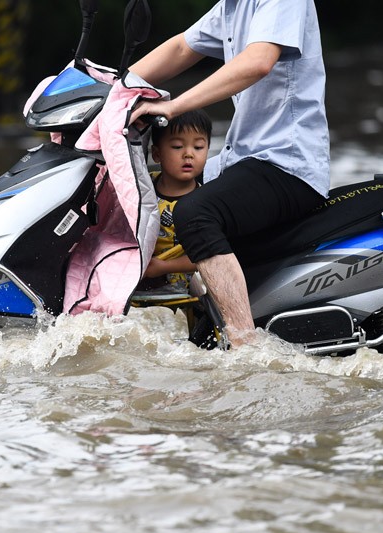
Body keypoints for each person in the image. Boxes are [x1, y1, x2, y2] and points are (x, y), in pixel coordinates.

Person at [129, 0, 330, 347]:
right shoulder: (232, 6)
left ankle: (245, 347)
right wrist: (108, 91)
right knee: (156, 187)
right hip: (246, 158)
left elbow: (258, 61)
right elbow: (180, 47)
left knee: (194, 212)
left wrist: (173, 106)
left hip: (288, 162)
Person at [141, 109, 212, 293]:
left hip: (186, 295)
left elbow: (211, 256)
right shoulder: (142, 187)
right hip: (141, 287)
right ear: (156, 154)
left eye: (198, 147)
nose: (189, 154)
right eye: (177, 147)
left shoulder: (208, 201)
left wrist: (164, 267)